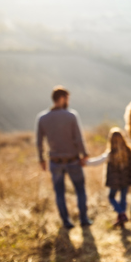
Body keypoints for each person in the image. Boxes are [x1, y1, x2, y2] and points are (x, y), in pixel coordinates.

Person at [36, 86, 92, 229]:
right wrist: (84, 154)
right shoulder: (71, 116)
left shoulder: (42, 118)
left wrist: (41, 159)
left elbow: (39, 141)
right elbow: (78, 138)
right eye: (67, 98)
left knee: (59, 192)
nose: (68, 101)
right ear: (62, 98)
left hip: (55, 162)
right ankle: (84, 219)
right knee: (80, 190)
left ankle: (66, 222)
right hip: (73, 160)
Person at [87, 127, 131, 228]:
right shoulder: (128, 151)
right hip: (126, 179)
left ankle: (121, 214)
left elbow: (98, 161)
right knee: (123, 198)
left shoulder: (111, 153)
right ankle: (121, 217)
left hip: (115, 181)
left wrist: (86, 162)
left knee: (111, 197)